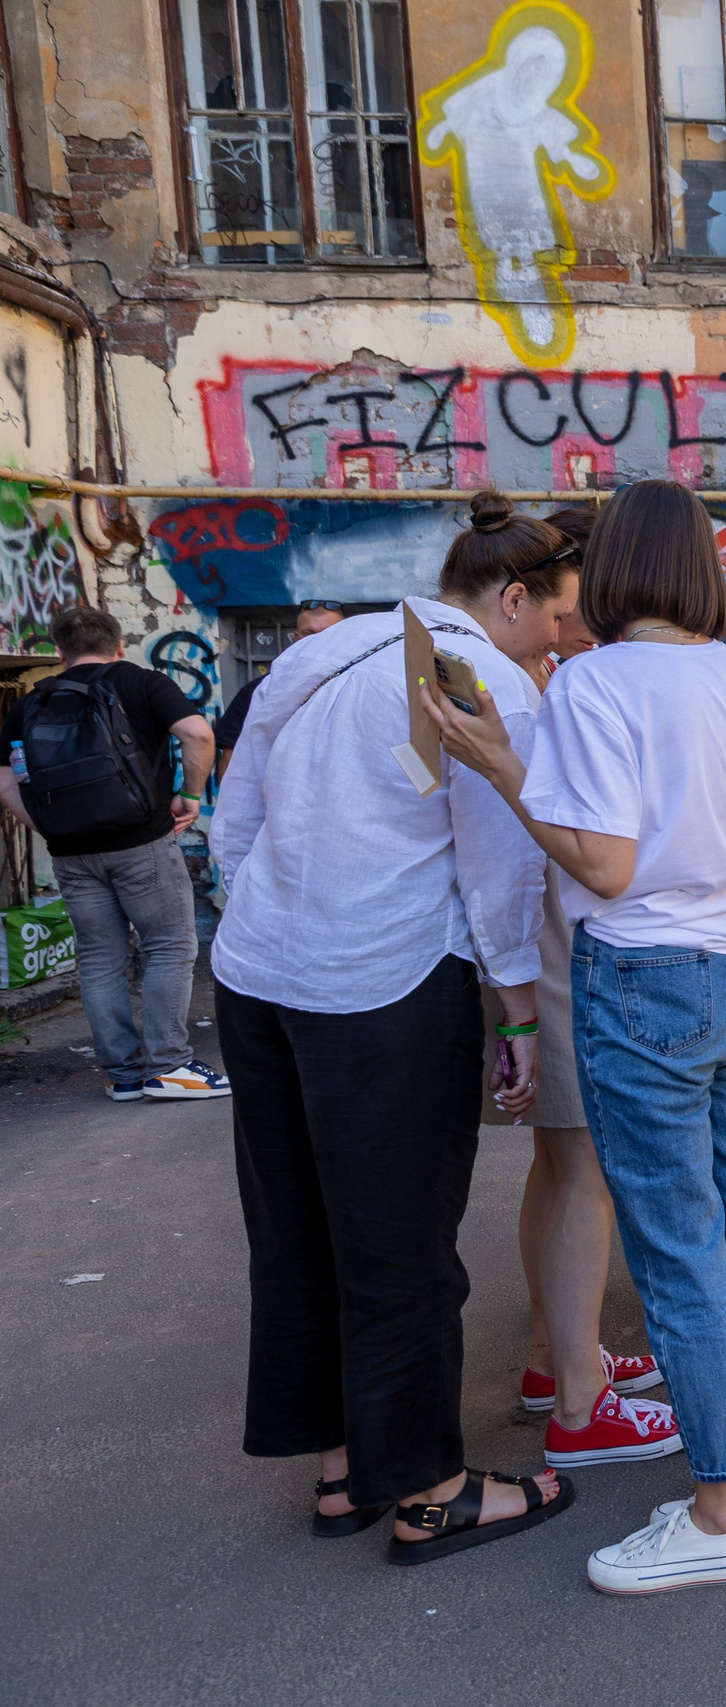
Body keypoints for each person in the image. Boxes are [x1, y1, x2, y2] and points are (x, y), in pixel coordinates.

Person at [425, 478, 726, 1595]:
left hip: (639, 977)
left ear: (610, 570)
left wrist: (503, 765)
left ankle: (719, 1508)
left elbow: (602, 864)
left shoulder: (596, 680)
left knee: (678, 1251)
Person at [209, 498, 569, 1563]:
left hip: (260, 972)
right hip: (385, 983)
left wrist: (273, 912)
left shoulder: (317, 655)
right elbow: (500, 866)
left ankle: (339, 1470)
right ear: (511, 598)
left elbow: (237, 815)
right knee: (398, 1244)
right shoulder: (490, 682)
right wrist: (517, 1013)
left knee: (299, 1230)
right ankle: (429, 1490)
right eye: (555, 619)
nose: (559, 640)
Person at [458, 500, 680, 1469]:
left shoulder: (521, 678)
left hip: (534, 948)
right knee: (585, 1171)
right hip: (554, 946)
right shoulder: (532, 690)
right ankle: (580, 1404)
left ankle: (558, 1360)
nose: (575, 620)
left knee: (560, 1164)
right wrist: (513, 1002)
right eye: (569, 602)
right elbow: (517, 853)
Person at [0, 604, 223, 1103]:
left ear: (59, 652)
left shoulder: (29, 705)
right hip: (140, 842)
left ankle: (124, 1076)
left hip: (71, 855)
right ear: (119, 645)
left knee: (100, 959)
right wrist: (190, 794)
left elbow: (5, 785)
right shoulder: (141, 682)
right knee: (167, 947)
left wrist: (52, 828)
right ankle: (169, 1065)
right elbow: (199, 734)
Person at [213, 601, 345, 782]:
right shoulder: (261, 691)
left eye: (329, 634)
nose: (319, 641)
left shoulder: (365, 688)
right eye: (309, 634)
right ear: (296, 638)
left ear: (344, 637)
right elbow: (231, 763)